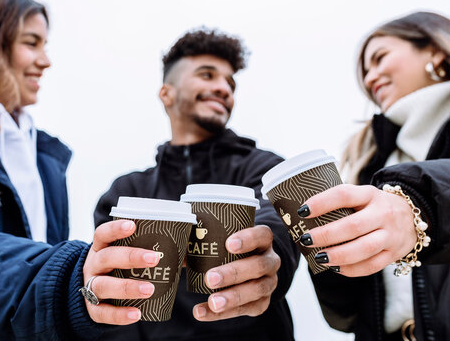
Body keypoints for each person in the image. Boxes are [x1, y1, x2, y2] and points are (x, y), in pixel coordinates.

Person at [0, 0, 167, 340]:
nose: (46, 60)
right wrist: (70, 279)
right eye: (31, 42)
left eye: (45, 45)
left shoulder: (45, 160)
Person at [297, 12, 450, 341]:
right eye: (365, 73)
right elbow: (345, 317)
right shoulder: (370, 165)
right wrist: (330, 255)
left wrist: (416, 205)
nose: (371, 77)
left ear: (435, 50)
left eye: (379, 58)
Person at [94, 29, 300, 340]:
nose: (223, 88)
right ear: (167, 93)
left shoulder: (263, 167)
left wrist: (271, 258)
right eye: (207, 75)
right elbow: (112, 302)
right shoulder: (127, 193)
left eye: (230, 83)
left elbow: (276, 223)